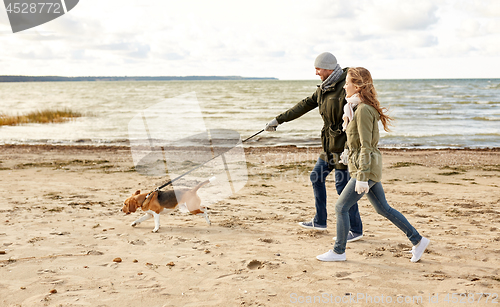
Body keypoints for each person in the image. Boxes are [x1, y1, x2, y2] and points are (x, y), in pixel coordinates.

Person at [316, 67, 430, 262]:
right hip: (364, 167)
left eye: (348, 83)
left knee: (341, 207)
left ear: (358, 86)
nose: (344, 86)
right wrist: (346, 155)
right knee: (383, 209)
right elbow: (357, 142)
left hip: (365, 170)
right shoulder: (354, 108)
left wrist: (361, 177)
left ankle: (338, 251)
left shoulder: (363, 110)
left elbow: (367, 147)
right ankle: (418, 240)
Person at [265, 52, 363, 242]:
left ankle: (356, 230)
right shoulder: (324, 89)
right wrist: (278, 120)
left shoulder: (346, 86)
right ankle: (320, 220)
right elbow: (303, 105)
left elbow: (357, 119)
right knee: (316, 177)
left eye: (318, 69)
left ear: (328, 68)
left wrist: (349, 149)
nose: (316, 73)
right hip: (328, 146)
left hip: (343, 148)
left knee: (343, 188)